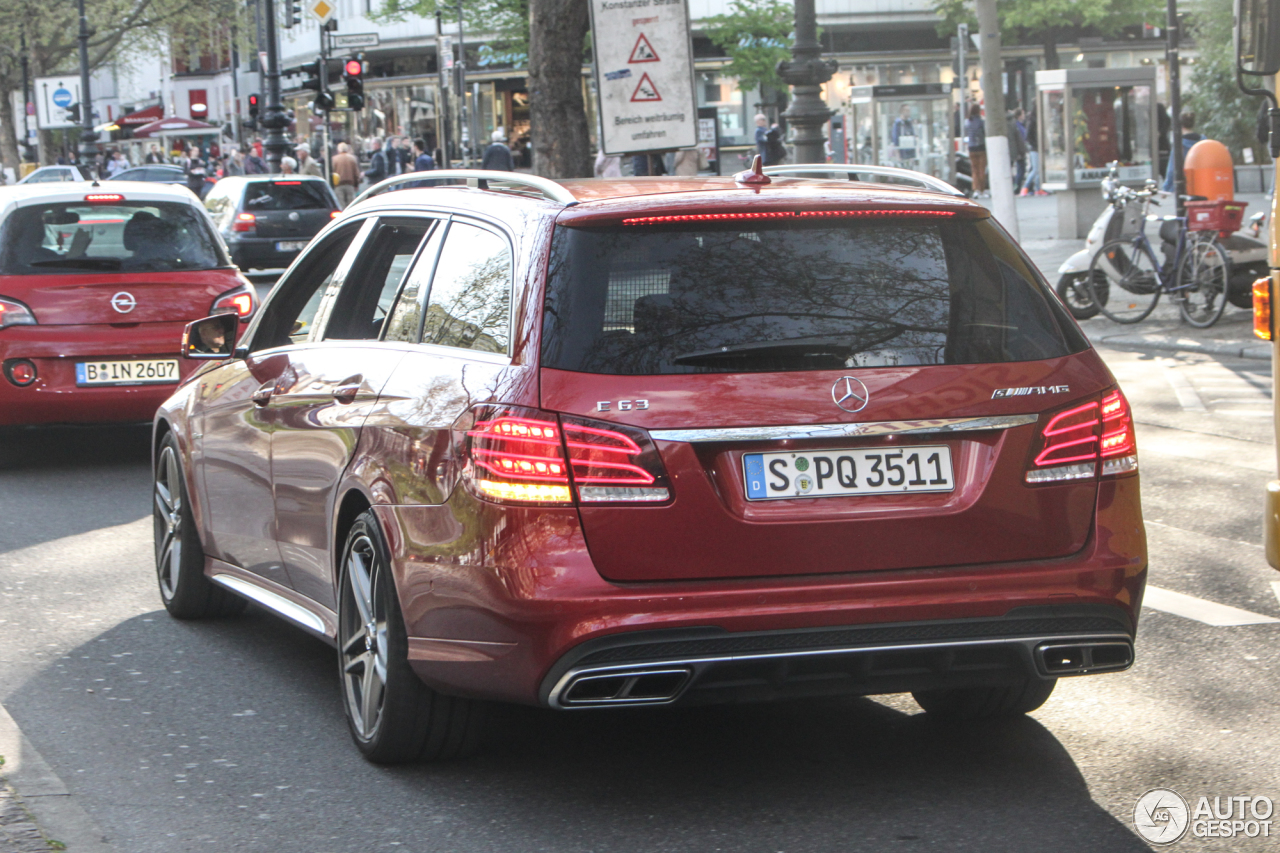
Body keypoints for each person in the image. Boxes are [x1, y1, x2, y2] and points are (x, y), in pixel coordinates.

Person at [1162, 111, 1206, 192]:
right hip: (1203, 182)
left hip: (1185, 184)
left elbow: (1172, 168)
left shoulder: (1179, 143)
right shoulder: (1203, 141)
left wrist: (1166, 188)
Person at [965, 104, 987, 198]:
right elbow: (984, 133)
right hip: (981, 147)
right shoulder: (981, 122)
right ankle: (982, 189)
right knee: (982, 169)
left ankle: (976, 189)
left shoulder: (967, 122)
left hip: (971, 148)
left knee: (974, 170)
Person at [1021, 106, 1044, 196]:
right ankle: (1025, 187)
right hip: (1034, 148)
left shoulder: (1033, 119)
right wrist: (1035, 144)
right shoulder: (1033, 120)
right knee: (1035, 169)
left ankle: (1038, 188)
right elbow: (1028, 136)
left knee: (1038, 169)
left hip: (1036, 147)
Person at [332, 142, 360, 208]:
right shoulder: (352, 158)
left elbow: (332, 172)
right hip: (350, 185)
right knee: (351, 205)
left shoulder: (334, 159)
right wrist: (356, 185)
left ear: (338, 150)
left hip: (338, 185)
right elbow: (356, 173)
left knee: (341, 205)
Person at [1009, 108, 1028, 192]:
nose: (1024, 116)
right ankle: (1017, 187)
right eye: (1023, 114)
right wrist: (1021, 151)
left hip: (1020, 149)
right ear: (1019, 116)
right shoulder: (1016, 125)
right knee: (1021, 169)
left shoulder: (1019, 124)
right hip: (1019, 150)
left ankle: (1017, 186)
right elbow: (1019, 139)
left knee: (1021, 169)